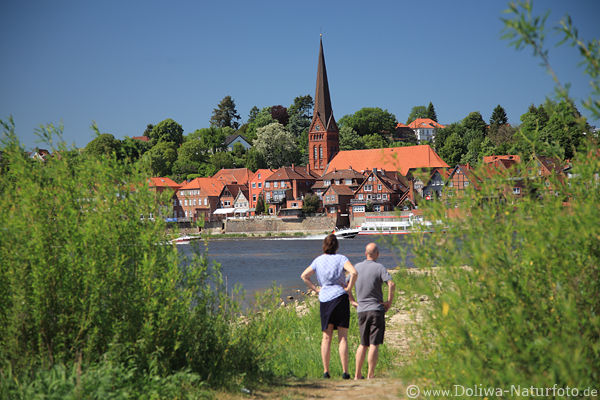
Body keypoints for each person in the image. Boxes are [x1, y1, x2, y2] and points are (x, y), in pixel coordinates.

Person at [301, 234, 358, 379]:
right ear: (337, 246)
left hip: (325, 299)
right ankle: (345, 372)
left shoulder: (318, 260)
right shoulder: (341, 259)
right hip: (340, 297)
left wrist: (315, 289)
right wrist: (349, 288)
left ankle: (326, 371)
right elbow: (354, 272)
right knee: (343, 337)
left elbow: (304, 276)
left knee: (326, 337)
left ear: (324, 246)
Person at [351, 242, 395, 380]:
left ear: (365, 253)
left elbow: (345, 285)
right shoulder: (379, 267)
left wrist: (352, 301)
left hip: (361, 310)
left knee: (363, 344)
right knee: (374, 343)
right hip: (376, 309)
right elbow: (391, 283)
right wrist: (389, 302)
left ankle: (357, 374)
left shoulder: (356, 268)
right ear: (377, 254)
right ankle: (370, 375)